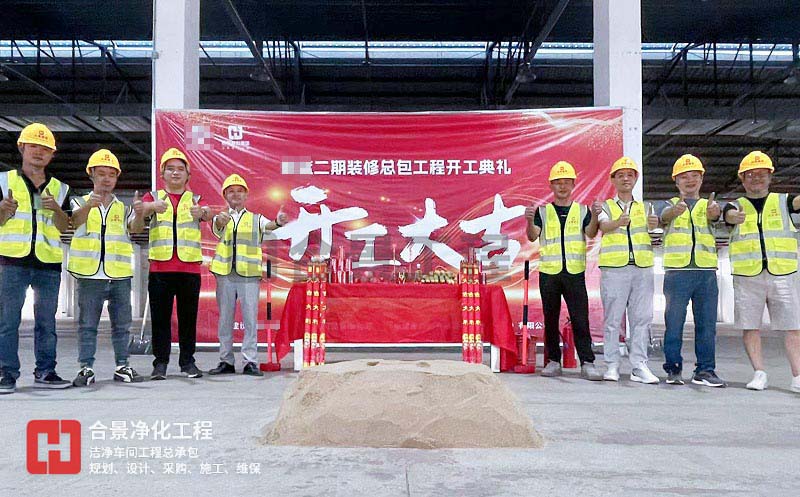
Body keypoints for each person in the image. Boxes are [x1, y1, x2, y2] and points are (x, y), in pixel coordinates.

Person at [0, 123, 72, 393]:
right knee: (7, 321)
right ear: (22, 148)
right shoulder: (4, 181)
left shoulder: (60, 188)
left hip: (48, 264)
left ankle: (46, 371)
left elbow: (65, 227)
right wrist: (3, 209)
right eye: (33, 146)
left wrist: (56, 210)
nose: (39, 152)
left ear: (52, 154)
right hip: (12, 261)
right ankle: (6, 374)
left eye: (45, 149)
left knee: (46, 323)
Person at [129, 148, 211, 380]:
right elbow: (138, 221)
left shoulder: (196, 199)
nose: (175, 173)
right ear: (162, 174)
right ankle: (160, 364)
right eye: (170, 169)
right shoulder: (152, 197)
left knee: (188, 319)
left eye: (180, 169)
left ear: (188, 175)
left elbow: (207, 213)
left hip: (189, 269)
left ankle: (188, 362)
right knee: (160, 320)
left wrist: (202, 212)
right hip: (160, 269)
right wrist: (146, 209)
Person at [723, 151, 800, 393]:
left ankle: (798, 375)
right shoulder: (735, 205)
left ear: (769, 177)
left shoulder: (784, 201)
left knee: (792, 326)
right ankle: (759, 373)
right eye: (750, 175)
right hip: (748, 276)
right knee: (750, 326)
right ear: (742, 179)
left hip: (783, 273)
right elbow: (727, 215)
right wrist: (733, 217)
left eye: (761, 174)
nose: (756, 178)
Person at [68, 149, 142, 386]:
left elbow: (135, 230)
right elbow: (73, 222)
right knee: (87, 325)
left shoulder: (123, 208)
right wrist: (89, 206)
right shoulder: (78, 202)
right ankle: (86, 368)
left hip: (119, 276)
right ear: (91, 175)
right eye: (101, 174)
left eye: (111, 174)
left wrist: (140, 213)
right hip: (89, 275)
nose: (107, 179)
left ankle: (122, 366)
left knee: (122, 325)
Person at [525, 161, 603, 381]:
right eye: (558, 182)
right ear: (551, 185)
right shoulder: (542, 211)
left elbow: (591, 233)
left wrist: (595, 215)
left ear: (573, 184)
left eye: (566, 182)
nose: (562, 186)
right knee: (550, 318)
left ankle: (587, 362)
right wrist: (529, 221)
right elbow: (532, 236)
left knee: (580, 318)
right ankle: (553, 361)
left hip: (574, 272)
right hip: (549, 273)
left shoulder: (582, 210)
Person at [208, 174, 288, 376]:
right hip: (225, 274)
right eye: (231, 191)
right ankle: (226, 360)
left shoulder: (256, 219)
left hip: (249, 276)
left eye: (240, 191)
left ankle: (250, 361)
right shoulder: (221, 218)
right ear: (225, 195)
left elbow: (269, 226)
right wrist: (220, 220)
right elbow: (217, 228)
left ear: (246, 195)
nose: (236, 194)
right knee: (225, 320)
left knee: (250, 320)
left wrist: (278, 222)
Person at [658, 154, 725, 387]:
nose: (690, 180)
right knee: (674, 323)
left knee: (707, 325)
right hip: (677, 272)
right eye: (684, 177)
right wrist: (673, 212)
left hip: (705, 272)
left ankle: (705, 370)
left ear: (702, 179)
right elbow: (662, 217)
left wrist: (715, 213)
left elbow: (717, 217)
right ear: (676, 181)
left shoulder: (710, 206)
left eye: (695, 176)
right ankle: (673, 368)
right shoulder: (668, 204)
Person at [597, 157, 660, 384]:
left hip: (642, 268)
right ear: (613, 180)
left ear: (635, 179)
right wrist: (618, 222)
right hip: (614, 269)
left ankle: (639, 365)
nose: (626, 179)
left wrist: (654, 225)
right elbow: (603, 225)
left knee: (642, 318)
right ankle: (612, 364)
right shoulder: (605, 206)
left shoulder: (645, 207)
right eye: (621, 175)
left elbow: (654, 231)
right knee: (613, 319)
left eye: (630, 175)